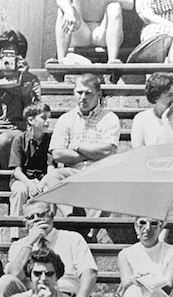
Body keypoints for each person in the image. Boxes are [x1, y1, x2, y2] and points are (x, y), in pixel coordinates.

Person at [0, 201, 98, 297]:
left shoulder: (72, 238)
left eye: (42, 215)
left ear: (52, 216)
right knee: (5, 281)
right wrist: (30, 242)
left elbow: (90, 272)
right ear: (25, 223)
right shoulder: (19, 246)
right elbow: (13, 275)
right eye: (31, 217)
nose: (37, 219)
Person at [41, 73, 120, 217]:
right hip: (72, 174)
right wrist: (91, 153)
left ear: (99, 94)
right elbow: (57, 154)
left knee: (110, 182)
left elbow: (107, 151)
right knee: (52, 176)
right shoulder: (65, 119)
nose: (83, 97)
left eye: (88, 93)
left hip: (99, 173)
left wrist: (76, 146)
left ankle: (88, 230)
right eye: (79, 92)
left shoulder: (109, 118)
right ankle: (72, 217)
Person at [0, 30, 41, 175]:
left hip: (17, 127)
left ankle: (7, 182)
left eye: (12, 53)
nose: (8, 58)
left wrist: (23, 79)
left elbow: (34, 111)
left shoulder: (30, 78)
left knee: (4, 141)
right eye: (4, 53)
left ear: (20, 54)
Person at [53, 0, 134, 63]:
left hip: (102, 33)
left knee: (115, 7)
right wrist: (68, 11)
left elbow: (129, 2)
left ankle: (112, 61)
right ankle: (61, 61)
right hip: (81, 31)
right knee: (62, 10)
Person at [8, 102, 52, 239]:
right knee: (19, 191)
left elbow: (51, 168)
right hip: (23, 179)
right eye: (44, 117)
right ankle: (16, 233)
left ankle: (45, 232)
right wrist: (30, 184)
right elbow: (16, 170)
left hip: (42, 179)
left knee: (48, 191)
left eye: (49, 117)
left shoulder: (50, 140)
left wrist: (40, 184)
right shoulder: (19, 140)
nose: (48, 121)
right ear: (31, 120)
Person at [131, 72, 173, 148]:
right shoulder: (141, 119)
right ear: (155, 97)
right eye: (169, 95)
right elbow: (138, 149)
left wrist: (165, 120)